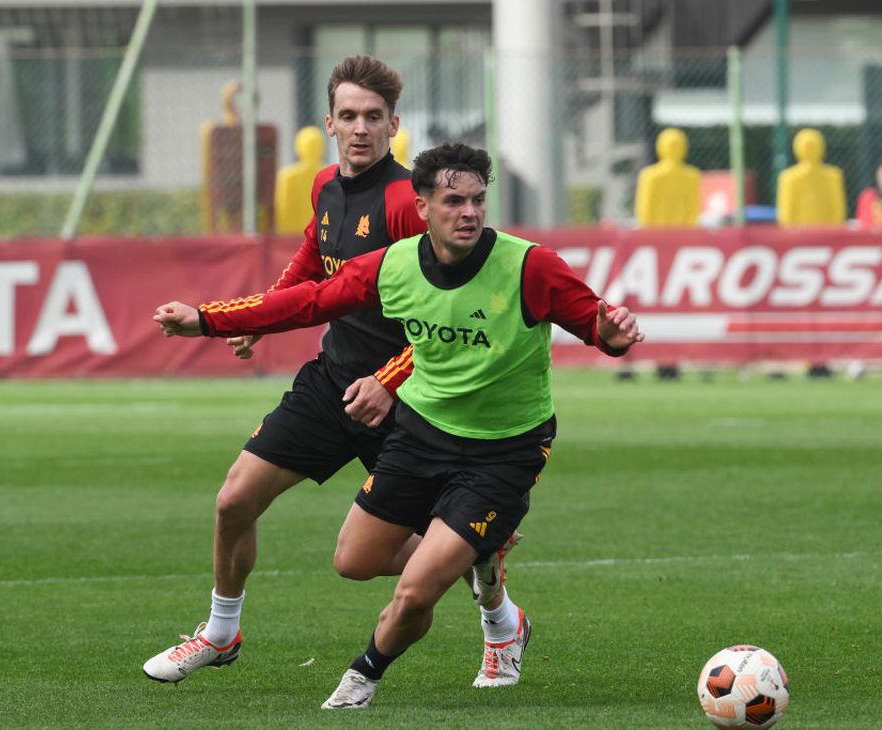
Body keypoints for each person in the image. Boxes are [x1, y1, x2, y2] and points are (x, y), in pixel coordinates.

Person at [153, 142, 644, 708]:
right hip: (421, 433)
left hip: (504, 452)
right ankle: (471, 552)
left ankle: (363, 676)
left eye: (479, 201)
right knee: (353, 561)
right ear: (423, 207)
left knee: (415, 593)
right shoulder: (394, 265)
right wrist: (208, 320)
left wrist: (614, 332)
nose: (469, 213)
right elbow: (310, 301)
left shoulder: (529, 265)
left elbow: (596, 324)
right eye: (454, 201)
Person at [142, 56, 513, 686]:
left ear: (395, 125)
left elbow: (454, 320)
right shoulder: (324, 187)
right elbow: (312, 263)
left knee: (438, 541)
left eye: (374, 117)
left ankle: (500, 622)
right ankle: (221, 633)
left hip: (409, 400)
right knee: (234, 498)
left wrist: (389, 380)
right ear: (328, 123)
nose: (360, 127)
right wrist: (252, 317)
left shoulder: (406, 203)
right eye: (349, 116)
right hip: (333, 380)